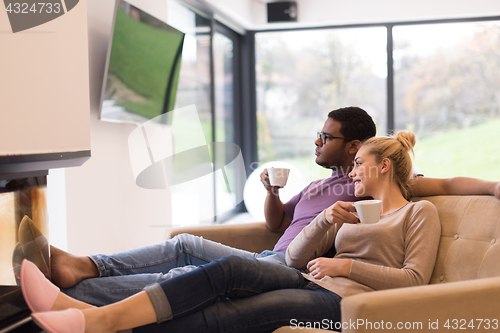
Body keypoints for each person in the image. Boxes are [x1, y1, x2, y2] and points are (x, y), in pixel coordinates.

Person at [52, 107, 500, 306]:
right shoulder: (320, 184)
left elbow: (442, 183)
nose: (317, 142)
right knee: (184, 269)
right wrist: (270, 191)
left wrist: (493, 187)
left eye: (327, 137)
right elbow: (277, 222)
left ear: (356, 149)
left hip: (291, 267)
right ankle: (77, 289)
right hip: (273, 254)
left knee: (187, 249)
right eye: (318, 134)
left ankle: (84, 273)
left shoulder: (372, 185)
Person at [22, 131, 442, 333]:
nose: (352, 173)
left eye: (359, 165)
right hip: (311, 277)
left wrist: (345, 264)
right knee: (227, 272)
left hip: (348, 306)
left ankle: (99, 319)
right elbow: (295, 259)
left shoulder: (419, 212)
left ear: (383, 166)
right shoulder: (352, 210)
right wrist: (326, 221)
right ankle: (84, 309)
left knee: (230, 314)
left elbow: (413, 280)